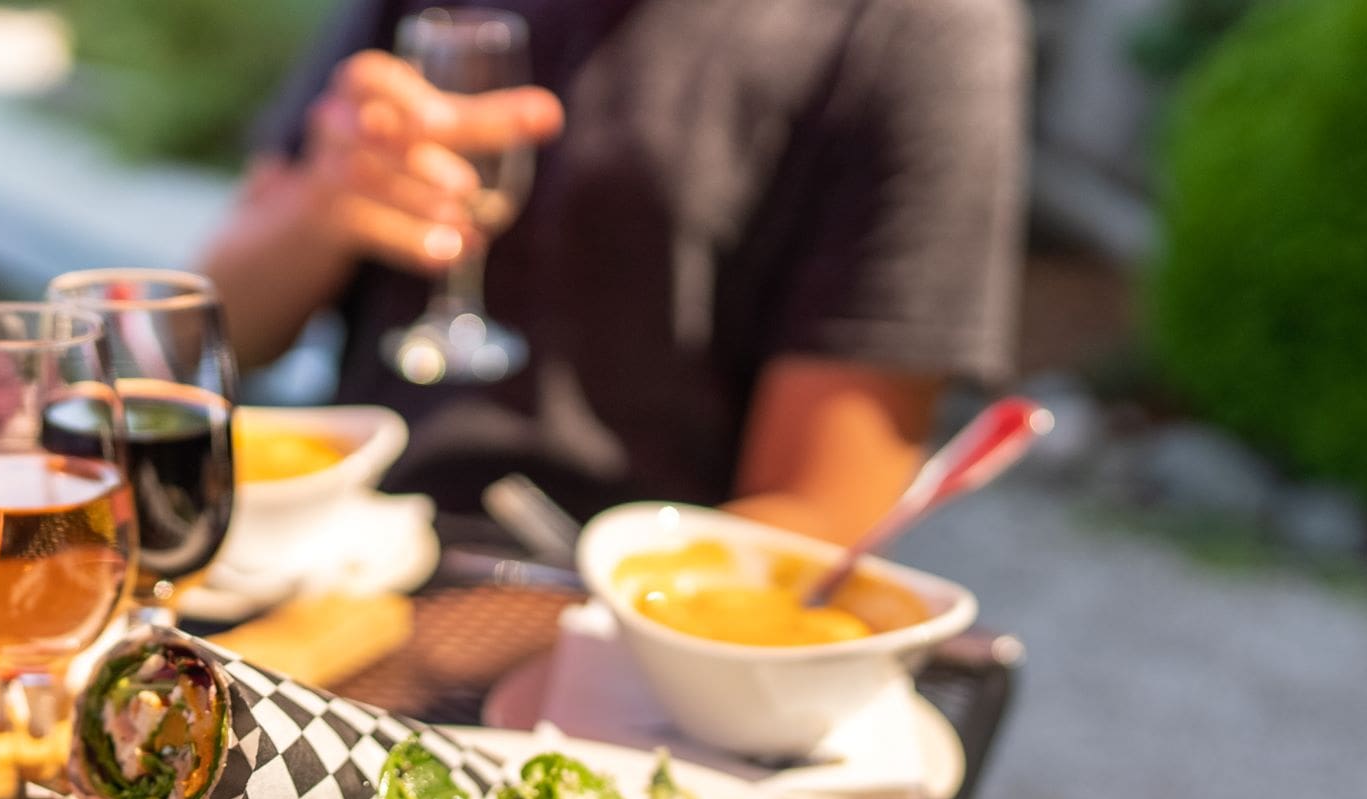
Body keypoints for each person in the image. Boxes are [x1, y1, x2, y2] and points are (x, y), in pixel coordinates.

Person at [199, 0, 1027, 541]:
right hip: (330, 552)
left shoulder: (918, 27)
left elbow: (821, 515)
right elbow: (222, 330)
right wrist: (324, 202)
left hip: (624, 639)